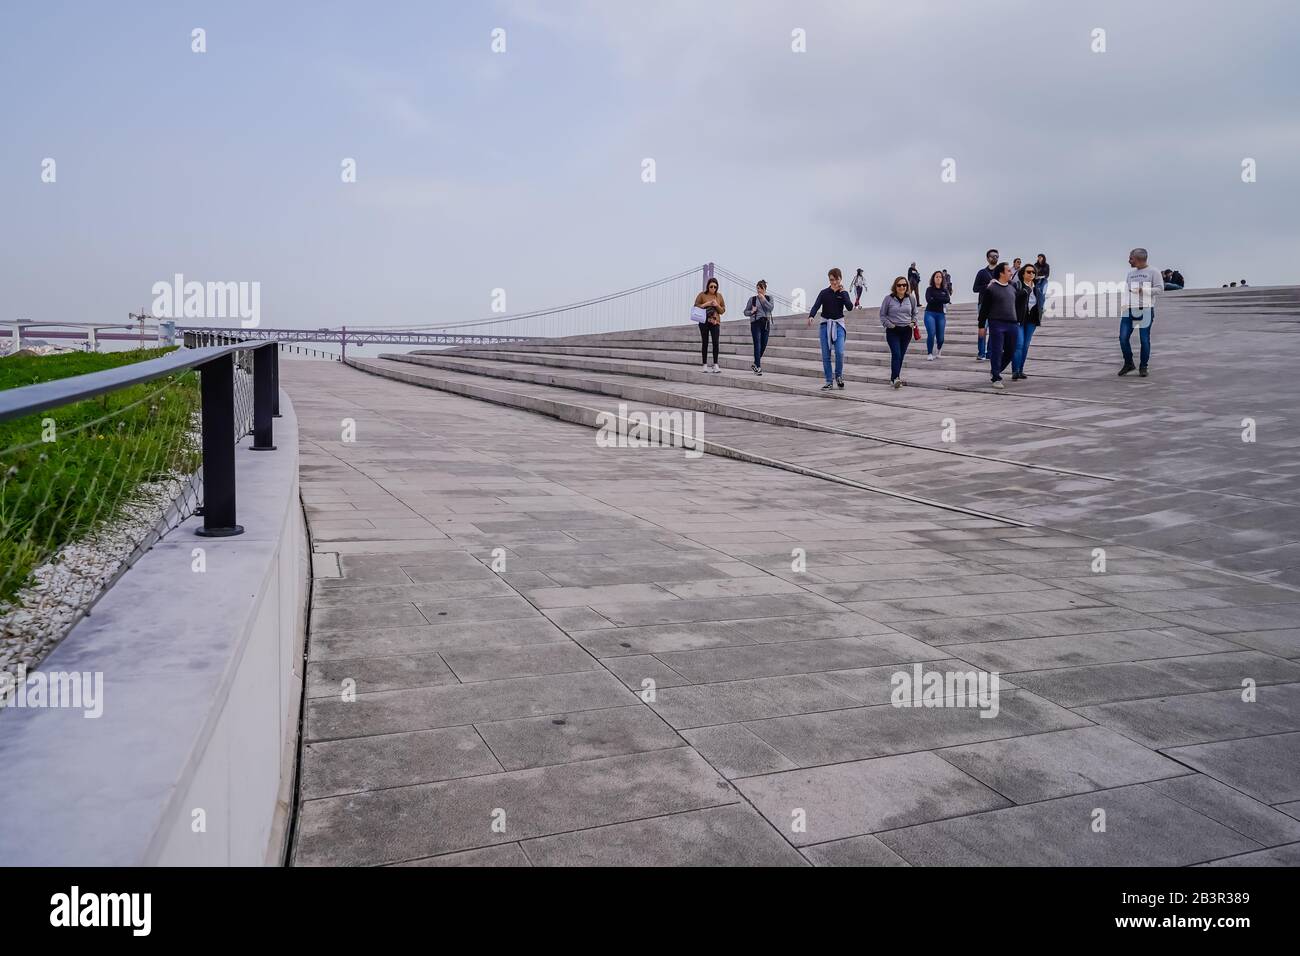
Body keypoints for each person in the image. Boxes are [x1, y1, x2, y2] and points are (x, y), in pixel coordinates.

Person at [808, 267, 854, 391]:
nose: (834, 282)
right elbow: (816, 305)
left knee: (839, 352)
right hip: (825, 325)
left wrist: (844, 292)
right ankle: (829, 381)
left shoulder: (843, 293)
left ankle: (838, 376)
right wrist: (811, 316)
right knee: (826, 355)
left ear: (840, 279)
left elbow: (850, 307)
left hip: (839, 325)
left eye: (836, 279)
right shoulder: (824, 292)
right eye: (831, 280)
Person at [1119, 247, 1160, 378]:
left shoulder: (1153, 271)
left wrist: (1143, 290)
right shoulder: (1130, 274)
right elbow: (1127, 290)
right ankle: (1129, 363)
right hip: (1129, 309)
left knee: (1144, 339)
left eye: (1131, 258)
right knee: (1123, 338)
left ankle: (1143, 366)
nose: (1128, 260)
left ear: (1138, 259)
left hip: (1146, 308)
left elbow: (1160, 289)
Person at [979, 261, 1018, 390]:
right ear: (1001, 273)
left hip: (1012, 323)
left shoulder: (1012, 287)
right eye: (1008, 271)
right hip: (996, 323)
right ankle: (996, 377)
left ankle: (996, 369)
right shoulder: (991, 289)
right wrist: (981, 326)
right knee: (996, 350)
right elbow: (984, 309)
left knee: (1011, 351)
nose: (1011, 272)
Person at [880, 277, 918, 388]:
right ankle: (896, 378)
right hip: (893, 331)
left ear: (907, 286)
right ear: (895, 286)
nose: (902, 287)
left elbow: (915, 313)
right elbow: (882, 315)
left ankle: (894, 378)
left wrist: (913, 322)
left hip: (906, 331)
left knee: (901, 355)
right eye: (899, 285)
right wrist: (890, 325)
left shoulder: (911, 298)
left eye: (904, 285)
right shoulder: (888, 299)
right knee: (896, 353)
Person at [1011, 263, 1042, 380]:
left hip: (1032, 320)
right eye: (1028, 272)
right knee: (1019, 344)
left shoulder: (1037, 288)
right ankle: (1015, 370)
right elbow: (1013, 299)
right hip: (1019, 319)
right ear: (1023, 274)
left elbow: (1040, 303)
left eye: (1033, 272)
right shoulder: (1017, 285)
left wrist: (1040, 315)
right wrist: (1025, 291)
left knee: (1025, 345)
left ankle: (1020, 370)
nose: (1031, 274)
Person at [972, 248, 999, 360]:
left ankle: (990, 353)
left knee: (994, 329)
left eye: (997, 256)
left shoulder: (1001, 272)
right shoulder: (982, 272)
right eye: (993, 256)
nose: (995, 258)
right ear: (988, 258)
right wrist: (987, 286)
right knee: (983, 328)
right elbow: (975, 288)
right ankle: (981, 353)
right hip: (983, 304)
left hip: (998, 304)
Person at [694, 277, 725, 373]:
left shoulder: (719, 296)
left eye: (715, 287)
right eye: (711, 286)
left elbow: (723, 310)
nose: (713, 288)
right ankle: (704, 365)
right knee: (705, 343)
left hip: (715, 322)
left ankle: (715, 365)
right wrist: (706, 304)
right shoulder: (702, 295)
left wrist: (717, 305)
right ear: (708, 286)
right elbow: (695, 306)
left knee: (715, 342)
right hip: (704, 322)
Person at [744, 279, 774, 375]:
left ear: (765, 289)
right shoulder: (752, 299)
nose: (759, 290)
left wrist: (763, 300)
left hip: (766, 323)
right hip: (755, 322)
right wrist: (752, 311)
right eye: (757, 288)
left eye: (761, 288)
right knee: (757, 344)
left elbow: (770, 308)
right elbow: (745, 312)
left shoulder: (769, 298)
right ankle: (758, 367)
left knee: (764, 344)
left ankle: (756, 363)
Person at [923, 270, 950, 360]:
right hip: (929, 313)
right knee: (931, 333)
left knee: (941, 338)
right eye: (936, 277)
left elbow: (947, 300)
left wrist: (935, 298)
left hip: (941, 315)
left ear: (942, 279)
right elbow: (929, 300)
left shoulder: (945, 290)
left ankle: (939, 350)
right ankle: (930, 353)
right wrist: (941, 298)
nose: (938, 278)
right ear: (933, 279)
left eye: (940, 277)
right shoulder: (929, 289)